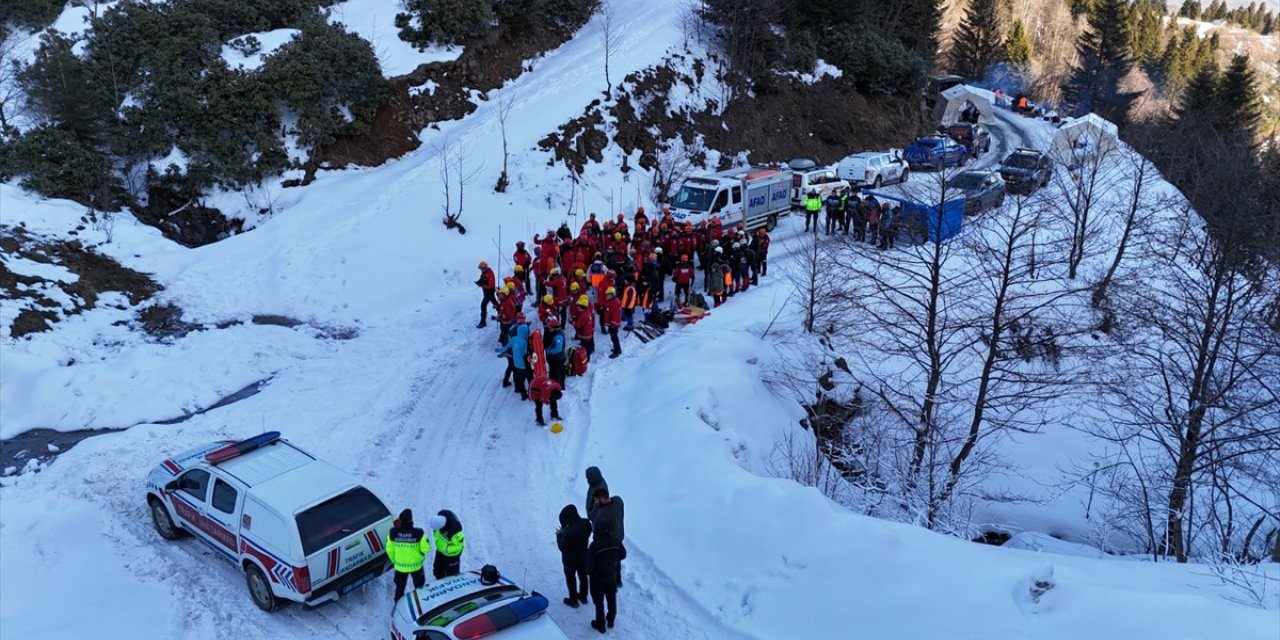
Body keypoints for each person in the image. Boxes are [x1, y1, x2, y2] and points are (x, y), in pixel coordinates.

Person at [587, 520, 626, 633]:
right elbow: (623, 554)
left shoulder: (594, 545)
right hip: (611, 576)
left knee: (599, 602)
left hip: (597, 579)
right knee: (611, 599)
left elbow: (589, 565)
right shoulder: (616, 541)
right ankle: (611, 620)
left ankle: (600, 624)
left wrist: (590, 572)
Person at [386, 509, 430, 602]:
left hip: (400, 567)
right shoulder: (419, 533)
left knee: (399, 589)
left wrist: (395, 561)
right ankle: (422, 605)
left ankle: (398, 606)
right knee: (420, 589)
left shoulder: (393, 532)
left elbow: (389, 550)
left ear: (400, 520)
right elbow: (426, 549)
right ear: (411, 519)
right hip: (416, 567)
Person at [556, 505, 592, 609]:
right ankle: (583, 596)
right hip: (583, 556)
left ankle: (573, 600)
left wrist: (559, 535)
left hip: (569, 561)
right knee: (583, 576)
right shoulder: (586, 523)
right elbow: (588, 533)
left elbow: (562, 547)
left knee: (571, 578)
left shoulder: (567, 532)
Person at [495, 323, 531, 399]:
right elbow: (526, 353)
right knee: (529, 378)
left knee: (520, 380)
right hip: (524, 364)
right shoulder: (525, 342)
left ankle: (523, 395)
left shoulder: (514, 339)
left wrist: (499, 350)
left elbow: (506, 347)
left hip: (516, 364)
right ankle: (532, 393)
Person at [429, 510, 465, 579]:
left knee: (453, 575)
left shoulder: (455, 532)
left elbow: (458, 546)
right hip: (441, 550)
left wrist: (446, 550)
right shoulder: (442, 514)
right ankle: (440, 581)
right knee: (437, 569)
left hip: (452, 555)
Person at [545, 316, 568, 388]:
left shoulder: (558, 337)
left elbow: (558, 349)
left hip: (558, 358)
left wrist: (549, 351)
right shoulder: (557, 333)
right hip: (557, 358)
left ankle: (557, 387)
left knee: (557, 374)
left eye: (550, 328)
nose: (549, 329)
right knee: (558, 372)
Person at [602, 288, 623, 359]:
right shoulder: (611, 301)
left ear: (612, 295)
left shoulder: (615, 303)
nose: (606, 296)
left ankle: (617, 351)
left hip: (613, 325)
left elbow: (615, 315)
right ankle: (617, 348)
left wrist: (613, 324)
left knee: (614, 337)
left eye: (608, 294)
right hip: (611, 324)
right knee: (613, 337)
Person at [475, 262, 497, 328]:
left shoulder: (490, 273)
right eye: (480, 269)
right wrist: (479, 282)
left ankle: (483, 322)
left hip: (489, 292)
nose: (481, 270)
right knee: (495, 304)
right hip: (487, 292)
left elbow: (490, 285)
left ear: (485, 268)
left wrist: (482, 285)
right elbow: (483, 279)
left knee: (483, 306)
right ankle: (503, 313)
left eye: (481, 268)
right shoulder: (484, 272)